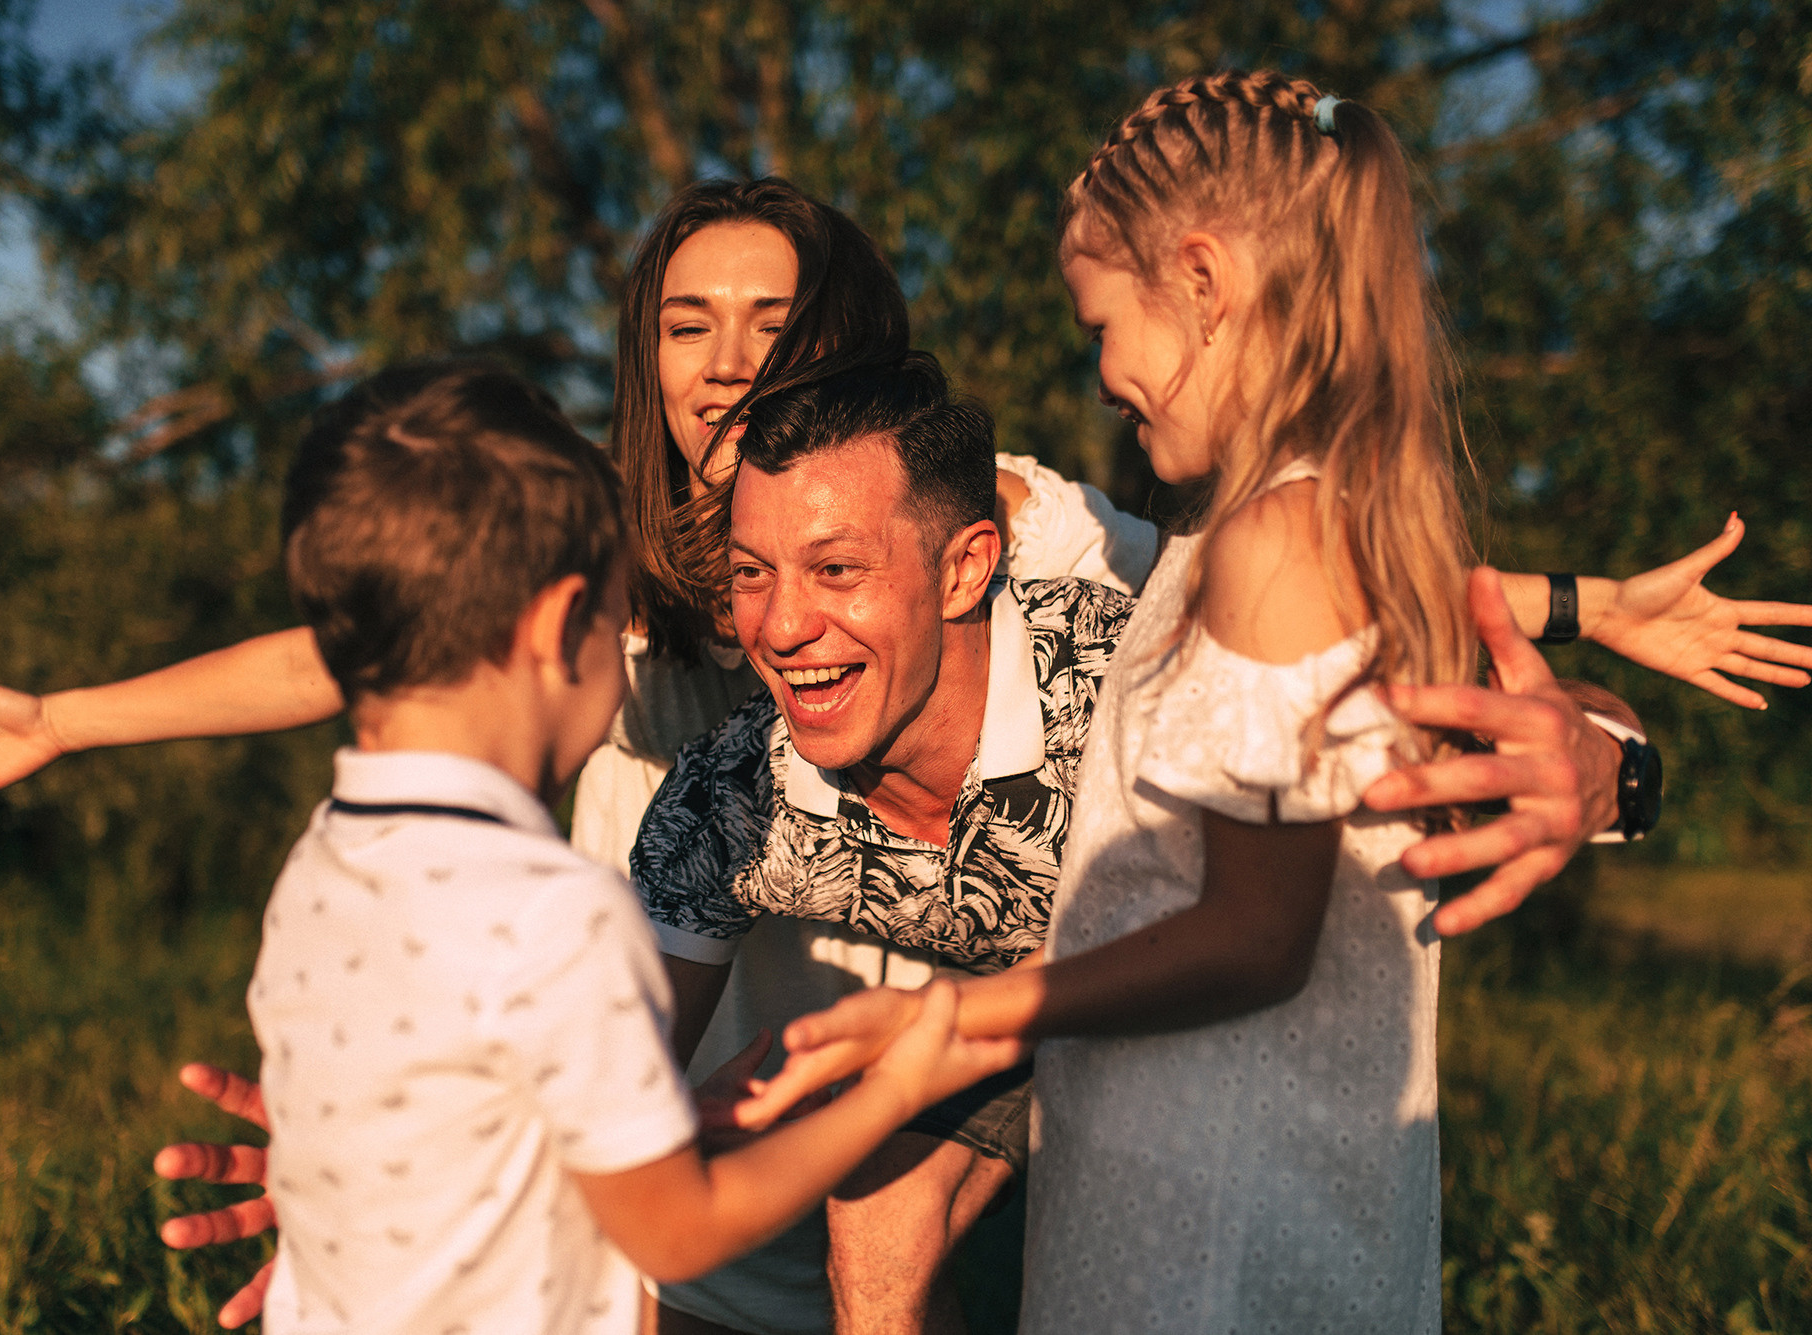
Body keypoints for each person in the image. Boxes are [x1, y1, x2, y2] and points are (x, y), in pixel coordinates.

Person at [0, 181, 1812, 1333]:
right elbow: (368, 649)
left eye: (769, 320)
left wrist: (1581, 677)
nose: (724, 359)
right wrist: (410, 1147)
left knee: (924, 1139)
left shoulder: (1050, 565)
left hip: (1037, 1204)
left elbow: (1313, 599)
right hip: (702, 1251)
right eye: (686, 324)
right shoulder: (632, 647)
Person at [728, 71, 1755, 1332]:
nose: (1103, 376)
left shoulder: (1272, 539)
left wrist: (954, 1015)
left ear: (1202, 285)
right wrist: (1589, 604)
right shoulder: (1292, 530)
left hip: (1211, 1244)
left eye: (1102, 324)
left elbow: (1256, 933)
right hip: (1242, 1219)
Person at [241, 358, 1020, 1334]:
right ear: (562, 629)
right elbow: (675, 1238)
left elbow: (472, 1121)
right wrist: (896, 1083)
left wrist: (668, 1125)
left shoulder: (320, 866)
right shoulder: (554, 912)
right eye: (615, 624)